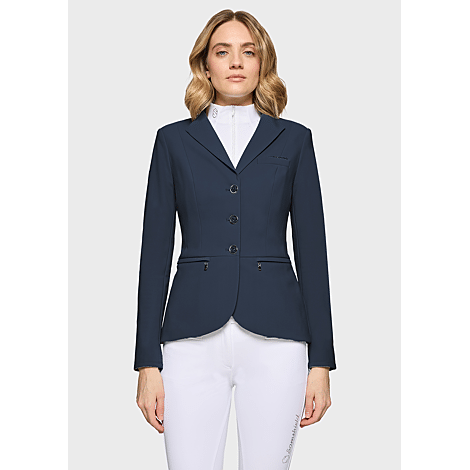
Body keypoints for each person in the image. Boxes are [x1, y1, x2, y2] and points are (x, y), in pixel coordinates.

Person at [135, 9, 336, 470]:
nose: (236, 62)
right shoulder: (173, 141)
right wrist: (147, 361)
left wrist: (321, 362)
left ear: (263, 62)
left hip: (278, 337)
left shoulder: (294, 140)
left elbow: (313, 253)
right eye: (222, 52)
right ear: (205, 64)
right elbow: (154, 254)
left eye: (248, 51)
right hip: (189, 338)